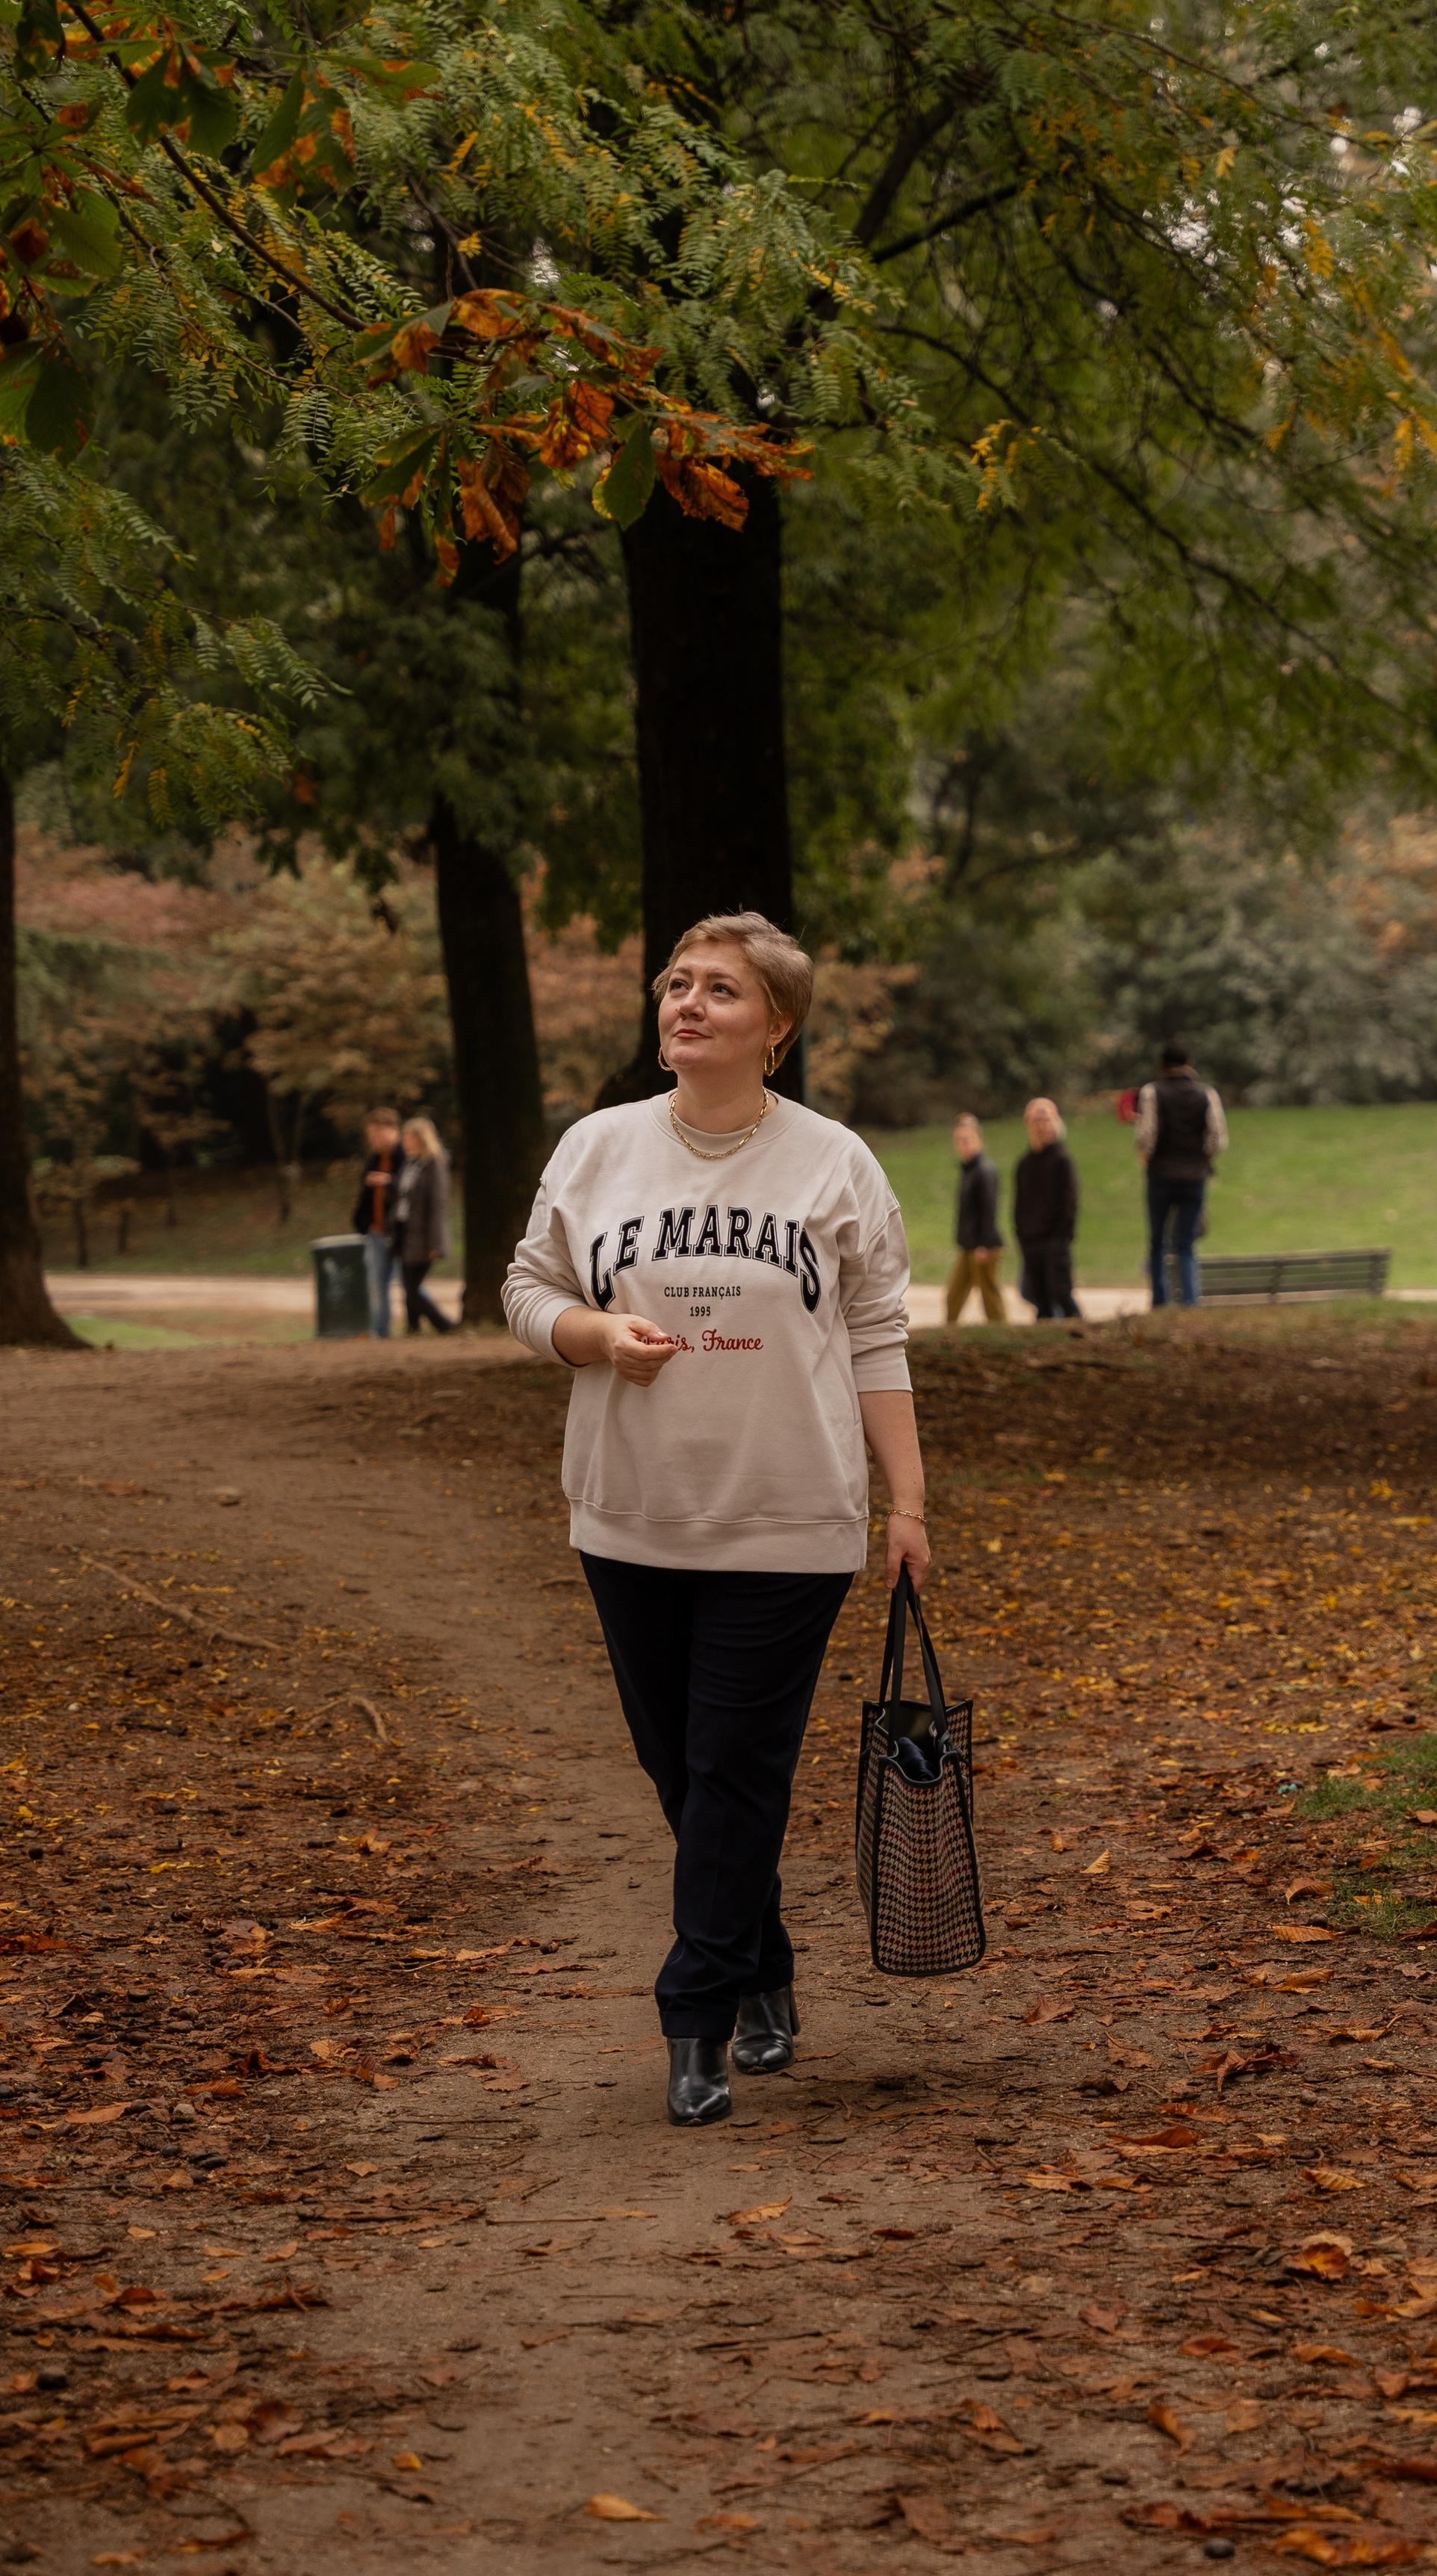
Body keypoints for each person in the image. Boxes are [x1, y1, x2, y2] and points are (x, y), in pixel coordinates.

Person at [501, 911, 928, 2131]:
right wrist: (591, 1334)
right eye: (676, 985)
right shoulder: (597, 1150)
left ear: (775, 1030)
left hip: (790, 1521)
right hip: (629, 1514)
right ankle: (760, 1955)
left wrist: (908, 1502)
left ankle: (697, 2020)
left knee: (733, 1766)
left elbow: (875, 1335)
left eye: (721, 991)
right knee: (683, 1771)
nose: (687, 1004)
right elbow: (529, 1288)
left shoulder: (834, 1164)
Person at [1135, 1041, 1229, 1309]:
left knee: (1157, 1242)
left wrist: (1147, 1157)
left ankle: (1160, 1301)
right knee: (1186, 1244)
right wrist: (1202, 1158)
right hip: (1193, 1179)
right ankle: (1189, 1302)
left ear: (1161, 1065)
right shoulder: (1206, 1093)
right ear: (1189, 1063)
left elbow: (1147, 1135)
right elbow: (1217, 1138)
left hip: (1161, 1177)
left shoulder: (1152, 1093)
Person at [1013, 1097, 1081, 1321]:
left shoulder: (1062, 1160)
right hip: (1031, 1240)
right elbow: (1020, 1203)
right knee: (1039, 1298)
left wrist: (1062, 1237)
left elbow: (1069, 1202)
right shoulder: (1024, 1164)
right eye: (1036, 1120)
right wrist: (1021, 1234)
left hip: (1055, 1239)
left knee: (1061, 1293)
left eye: (1046, 1119)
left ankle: (1082, 1333)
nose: (1041, 1125)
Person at [393, 1115, 455, 1334]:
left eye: (408, 1137)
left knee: (412, 1287)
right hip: (405, 1233)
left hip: (424, 1236)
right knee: (407, 1284)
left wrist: (435, 1243)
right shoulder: (410, 1163)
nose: (404, 1142)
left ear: (421, 1138)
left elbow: (437, 1205)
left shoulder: (435, 1163)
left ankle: (444, 1325)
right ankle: (413, 1326)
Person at [945, 1113, 1006, 1325]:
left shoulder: (984, 1171)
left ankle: (1003, 1334)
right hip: (969, 1246)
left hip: (983, 1247)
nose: (963, 1144)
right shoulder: (968, 1170)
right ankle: (947, 1335)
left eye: (968, 1139)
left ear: (978, 1139)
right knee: (954, 1296)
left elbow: (989, 1210)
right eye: (959, 1140)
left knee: (989, 1296)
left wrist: (984, 1244)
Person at [352, 1107, 403, 1340]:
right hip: (377, 1233)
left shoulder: (405, 1156)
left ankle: (429, 1323)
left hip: (401, 1233)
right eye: (371, 1135)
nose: (374, 1139)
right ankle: (380, 1332)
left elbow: (412, 1190)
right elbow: (365, 1198)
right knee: (376, 1284)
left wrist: (390, 1181)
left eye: (379, 1133)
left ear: (394, 1130)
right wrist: (365, 1224)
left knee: (409, 1284)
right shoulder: (374, 1160)